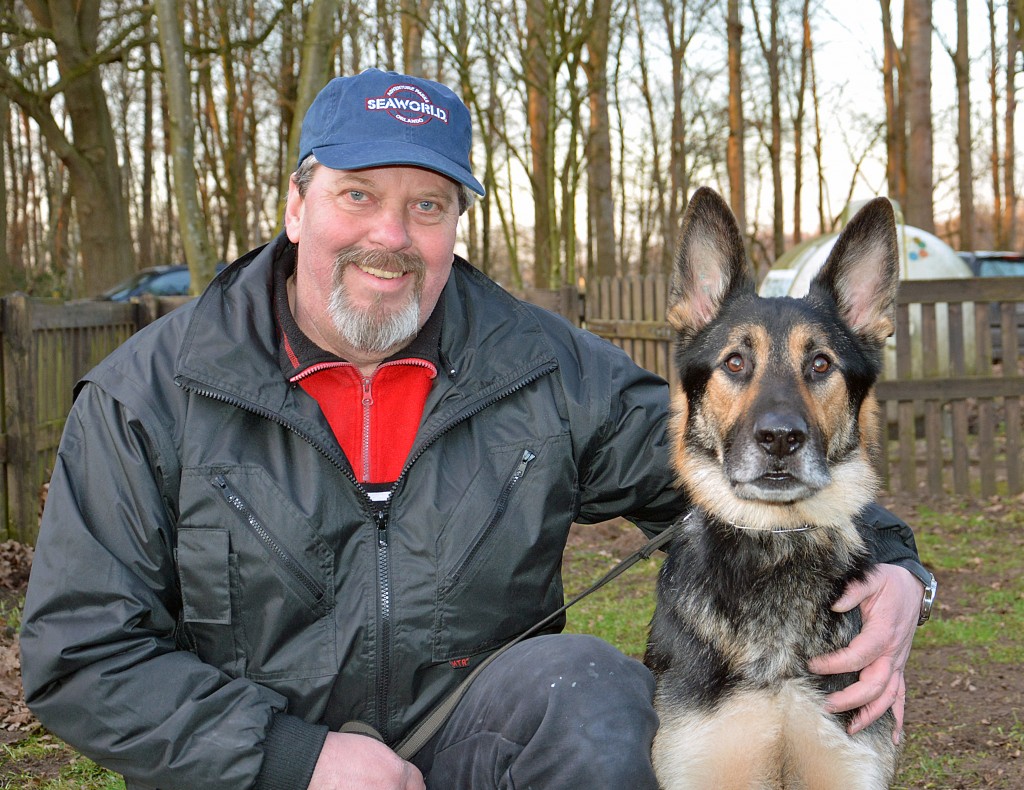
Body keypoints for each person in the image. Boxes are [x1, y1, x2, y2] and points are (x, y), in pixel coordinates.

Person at [20, 68, 932, 790]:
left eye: (428, 205)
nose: (391, 234)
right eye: (357, 194)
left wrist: (897, 571)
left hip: (466, 746)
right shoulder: (149, 395)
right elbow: (79, 656)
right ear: (297, 206)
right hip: (251, 767)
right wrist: (297, 758)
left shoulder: (539, 365)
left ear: (456, 222)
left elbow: (726, 464)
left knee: (590, 693)